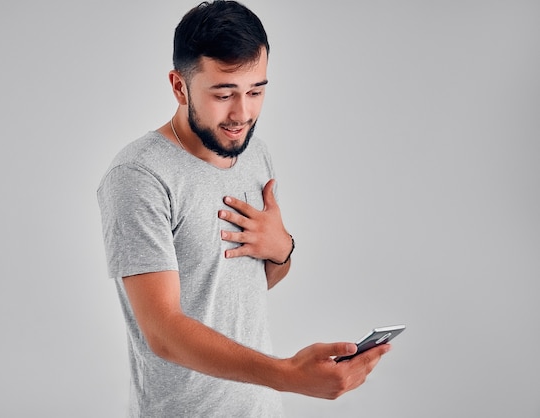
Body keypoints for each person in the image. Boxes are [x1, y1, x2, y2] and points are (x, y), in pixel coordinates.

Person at [97, 1, 390, 416]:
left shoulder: (254, 155)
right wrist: (288, 374)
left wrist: (282, 248)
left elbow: (242, 286)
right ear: (179, 87)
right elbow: (161, 331)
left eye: (256, 91)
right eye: (223, 94)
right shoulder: (139, 176)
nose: (243, 114)